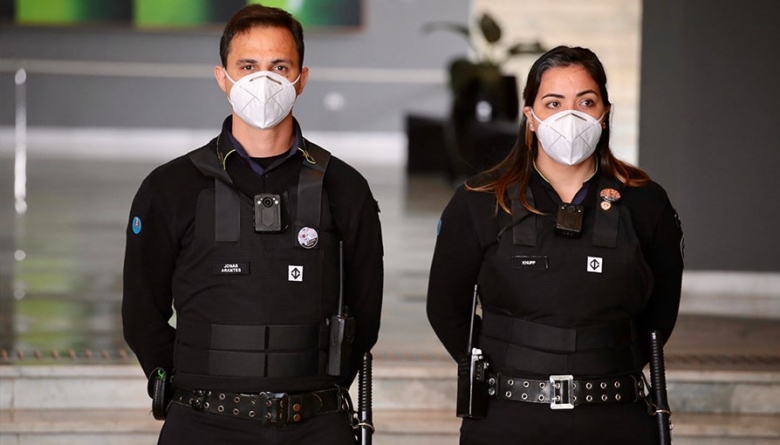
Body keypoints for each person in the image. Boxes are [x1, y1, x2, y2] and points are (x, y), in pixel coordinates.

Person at [121, 4, 383, 444]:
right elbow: (141, 314)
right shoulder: (170, 187)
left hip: (316, 424)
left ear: (302, 78)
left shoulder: (345, 187)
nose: (264, 81)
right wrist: (189, 384)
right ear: (222, 78)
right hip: (202, 422)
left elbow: (365, 313)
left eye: (280, 66)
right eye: (248, 66)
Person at [426, 46, 684, 445]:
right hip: (507, 413)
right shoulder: (478, 201)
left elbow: (660, 314)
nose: (571, 115)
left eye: (586, 101)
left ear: (605, 112)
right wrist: (503, 363)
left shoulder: (646, 202)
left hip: (616, 413)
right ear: (530, 116)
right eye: (553, 102)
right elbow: (445, 308)